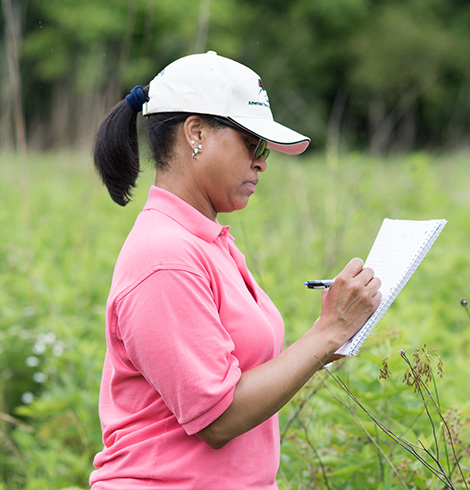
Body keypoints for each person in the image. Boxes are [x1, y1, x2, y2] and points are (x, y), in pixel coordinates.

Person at [89, 51, 381, 489]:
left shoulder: (207, 240)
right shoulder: (165, 257)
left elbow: (240, 377)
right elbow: (218, 419)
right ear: (196, 132)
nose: (263, 161)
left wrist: (333, 334)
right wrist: (327, 332)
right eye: (253, 142)